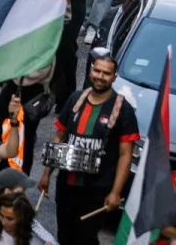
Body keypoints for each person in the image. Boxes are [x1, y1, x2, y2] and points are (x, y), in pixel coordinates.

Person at [38, 54, 139, 245]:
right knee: (65, 234)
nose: (100, 76)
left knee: (86, 238)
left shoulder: (123, 110)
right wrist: (46, 174)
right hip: (67, 183)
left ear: (114, 77)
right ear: (91, 70)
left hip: (97, 188)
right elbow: (59, 137)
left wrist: (115, 192)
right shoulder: (76, 99)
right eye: (97, 71)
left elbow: (126, 155)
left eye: (106, 73)